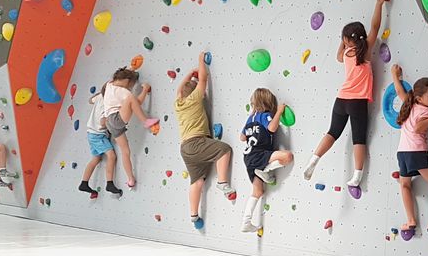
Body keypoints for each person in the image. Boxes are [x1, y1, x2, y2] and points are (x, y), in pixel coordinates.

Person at [302, 0, 390, 198]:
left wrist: (343, 41)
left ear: (346, 40)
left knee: (332, 132)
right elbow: (375, 26)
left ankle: (314, 159)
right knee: (358, 139)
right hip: (357, 102)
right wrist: (379, 3)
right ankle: (356, 176)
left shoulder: (347, 53)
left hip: (341, 99)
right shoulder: (364, 50)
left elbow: (338, 56)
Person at [175, 51, 236, 230]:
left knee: (197, 181)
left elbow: (179, 90)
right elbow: (203, 79)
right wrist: (200, 61)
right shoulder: (194, 100)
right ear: (196, 93)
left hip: (185, 148)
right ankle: (222, 182)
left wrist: (189, 75)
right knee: (224, 149)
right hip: (197, 143)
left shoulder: (178, 104)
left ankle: (194, 215)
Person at [390, 65, 428, 244]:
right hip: (417, 153)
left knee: (405, 185)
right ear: (419, 98)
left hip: (402, 153)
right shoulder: (426, 111)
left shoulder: (409, 105)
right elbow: (418, 128)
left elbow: (400, 91)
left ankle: (411, 220)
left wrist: (394, 76)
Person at [240, 88, 293, 233]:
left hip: (248, 158)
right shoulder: (265, 115)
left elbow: (242, 138)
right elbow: (271, 128)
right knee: (287, 156)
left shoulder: (250, 119)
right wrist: (279, 112)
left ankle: (246, 222)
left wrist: (252, 123)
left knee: (257, 191)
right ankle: (264, 170)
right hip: (259, 154)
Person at [101, 67, 160, 189]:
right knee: (131, 99)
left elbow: (122, 75)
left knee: (125, 152)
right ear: (127, 82)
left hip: (110, 124)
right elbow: (136, 102)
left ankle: (130, 179)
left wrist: (130, 70)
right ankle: (146, 121)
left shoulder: (109, 84)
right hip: (116, 119)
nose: (130, 88)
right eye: (130, 86)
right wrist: (144, 90)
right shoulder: (124, 92)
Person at [78, 88, 121, 199]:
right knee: (111, 156)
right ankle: (109, 183)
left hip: (90, 133)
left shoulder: (100, 97)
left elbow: (90, 100)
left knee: (96, 159)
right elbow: (102, 123)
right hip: (98, 135)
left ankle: (84, 183)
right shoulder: (107, 105)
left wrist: (99, 94)